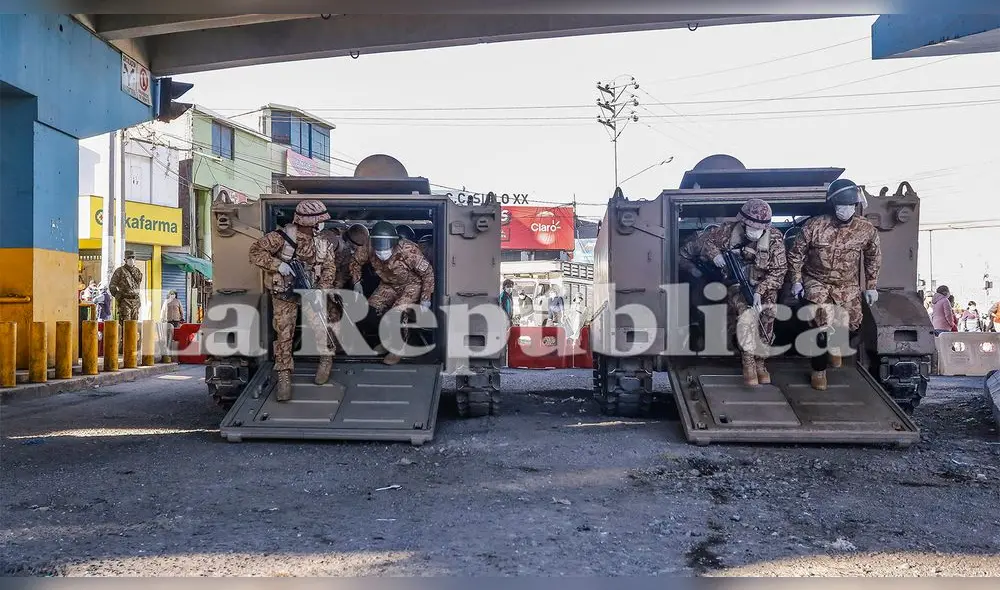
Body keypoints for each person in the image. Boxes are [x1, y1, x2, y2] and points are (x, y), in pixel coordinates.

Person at [788, 179, 881, 391]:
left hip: (846, 284)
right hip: (816, 281)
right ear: (832, 205)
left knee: (854, 325)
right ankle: (819, 371)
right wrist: (796, 281)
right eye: (841, 205)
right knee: (821, 325)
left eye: (849, 205)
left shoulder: (865, 230)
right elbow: (795, 255)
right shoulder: (815, 226)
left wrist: (872, 285)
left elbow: (873, 256)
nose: (845, 210)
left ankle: (836, 343)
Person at [688, 198, 788, 386]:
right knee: (746, 315)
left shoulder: (774, 238)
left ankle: (760, 362)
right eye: (751, 227)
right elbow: (706, 241)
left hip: (765, 284)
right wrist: (715, 255)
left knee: (768, 318)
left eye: (760, 229)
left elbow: (779, 271)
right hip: (737, 284)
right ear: (743, 222)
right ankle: (748, 361)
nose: (755, 232)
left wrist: (760, 291)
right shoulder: (727, 231)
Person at [249, 199, 339, 401]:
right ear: (309, 221)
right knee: (284, 333)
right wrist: (276, 265)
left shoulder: (323, 241)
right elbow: (255, 252)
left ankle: (326, 359)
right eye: (319, 220)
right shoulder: (281, 237)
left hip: (311, 291)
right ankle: (283, 375)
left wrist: (322, 289)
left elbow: (329, 267)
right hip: (285, 293)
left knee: (320, 327)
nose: (321, 224)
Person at [348, 220, 434, 365]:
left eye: (385, 249)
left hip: (411, 284)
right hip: (388, 284)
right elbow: (355, 262)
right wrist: (356, 282)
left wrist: (426, 298)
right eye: (378, 250)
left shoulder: (409, 250)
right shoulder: (369, 246)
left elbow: (428, 273)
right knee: (370, 311)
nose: (381, 253)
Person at [108, 250, 143, 322]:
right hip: (125, 301)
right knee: (125, 324)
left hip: (135, 302)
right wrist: (119, 296)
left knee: (134, 325)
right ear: (125, 260)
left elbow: (138, 285)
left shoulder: (137, 271)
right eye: (129, 258)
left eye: (133, 257)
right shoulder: (120, 271)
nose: (131, 259)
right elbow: (112, 286)